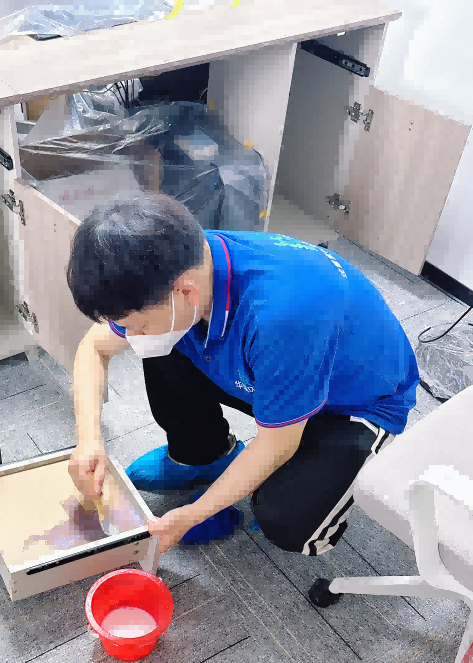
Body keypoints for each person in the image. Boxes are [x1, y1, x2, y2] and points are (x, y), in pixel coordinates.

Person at [66, 192, 419, 554]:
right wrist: (89, 440)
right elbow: (94, 347)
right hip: (278, 369)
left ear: (186, 292)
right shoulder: (177, 266)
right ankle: (204, 454)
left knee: (288, 521)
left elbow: (277, 445)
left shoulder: (280, 318)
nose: (131, 335)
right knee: (162, 341)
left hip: (353, 402)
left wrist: (194, 514)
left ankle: (310, 489)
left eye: (135, 324)